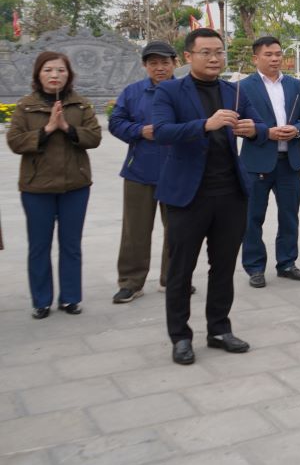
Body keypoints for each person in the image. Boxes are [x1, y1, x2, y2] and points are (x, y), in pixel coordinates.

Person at [152, 28, 266, 364]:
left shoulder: (233, 91)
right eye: (206, 52)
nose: (215, 58)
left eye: (219, 51)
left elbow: (258, 125)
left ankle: (219, 329)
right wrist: (206, 124)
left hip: (230, 192)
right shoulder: (170, 91)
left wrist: (253, 129)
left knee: (223, 266)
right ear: (188, 57)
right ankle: (180, 336)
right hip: (188, 195)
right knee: (181, 269)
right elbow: (160, 132)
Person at [7, 51, 102, 319]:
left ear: (69, 74)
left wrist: (68, 128)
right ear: (38, 74)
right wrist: (48, 129)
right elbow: (15, 142)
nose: (54, 75)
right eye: (48, 70)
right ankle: (41, 300)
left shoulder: (80, 105)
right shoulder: (26, 106)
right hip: (37, 188)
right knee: (39, 245)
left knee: (71, 244)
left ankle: (70, 298)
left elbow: (94, 137)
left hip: (75, 186)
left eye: (60, 70)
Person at [239, 36, 300, 288]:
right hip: (256, 161)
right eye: (268, 54)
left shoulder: (295, 86)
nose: (275, 58)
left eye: (278, 54)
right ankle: (255, 267)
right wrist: (264, 132)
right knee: (252, 217)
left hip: (289, 161)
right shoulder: (243, 87)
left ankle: (287, 263)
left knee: (290, 216)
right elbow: (236, 124)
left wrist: (297, 130)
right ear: (255, 58)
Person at [109, 41, 176, 304]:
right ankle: (131, 282)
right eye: (153, 63)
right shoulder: (133, 92)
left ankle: (172, 279)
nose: (159, 68)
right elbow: (116, 122)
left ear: (174, 63)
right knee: (134, 231)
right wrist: (139, 131)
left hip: (177, 169)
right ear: (145, 66)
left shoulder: (185, 91)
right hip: (140, 169)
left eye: (164, 62)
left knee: (177, 230)